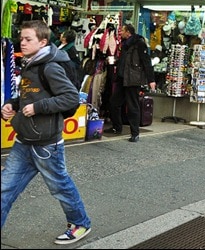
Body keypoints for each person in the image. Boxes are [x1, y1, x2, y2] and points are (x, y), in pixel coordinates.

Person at [1, 20, 92, 245]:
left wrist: (38, 108)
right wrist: (13, 104)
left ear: (42, 42)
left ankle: (80, 223)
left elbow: (72, 97)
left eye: (28, 39)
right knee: (4, 189)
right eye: (21, 38)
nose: (22, 42)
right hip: (24, 141)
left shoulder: (49, 66)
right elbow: (30, 95)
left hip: (46, 145)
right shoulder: (30, 63)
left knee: (60, 186)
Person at [106, 23, 156, 142]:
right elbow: (124, 61)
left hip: (133, 79)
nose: (120, 33)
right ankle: (117, 127)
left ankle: (135, 133)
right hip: (122, 78)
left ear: (128, 32)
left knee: (133, 106)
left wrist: (151, 80)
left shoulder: (139, 43)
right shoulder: (124, 45)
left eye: (122, 31)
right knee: (114, 103)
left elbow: (146, 62)